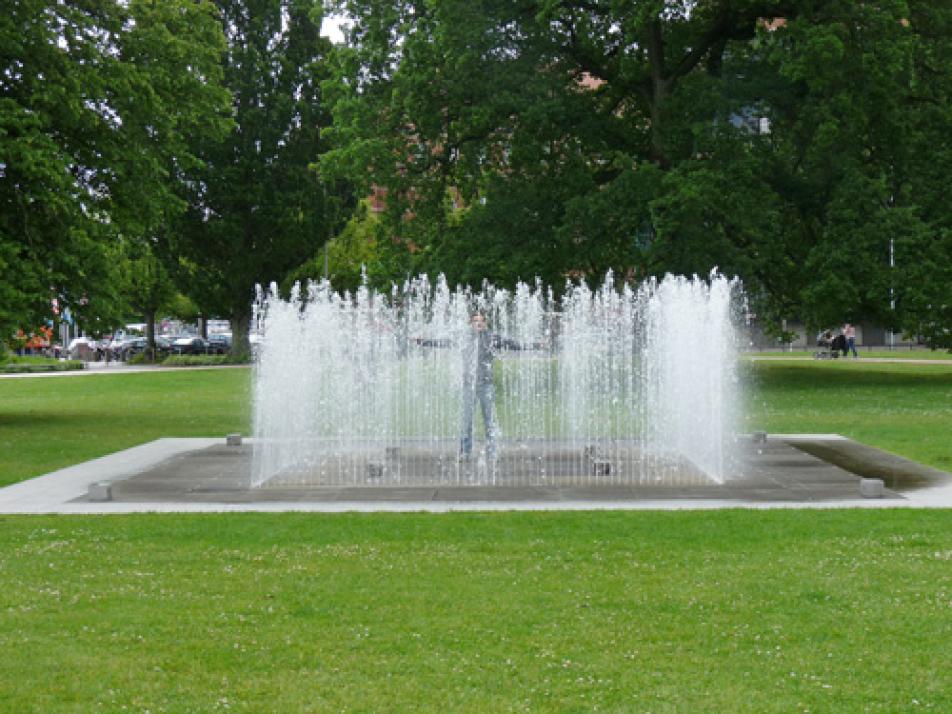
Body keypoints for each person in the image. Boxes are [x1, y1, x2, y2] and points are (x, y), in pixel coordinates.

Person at [460, 311, 499, 460]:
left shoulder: (491, 338)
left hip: (486, 385)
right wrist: (421, 341)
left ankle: (492, 452)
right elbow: (443, 341)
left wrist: (535, 345)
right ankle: (465, 451)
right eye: (475, 320)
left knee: (489, 420)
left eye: (481, 320)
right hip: (469, 385)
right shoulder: (464, 338)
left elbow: (513, 344)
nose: (478, 323)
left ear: (485, 323)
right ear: (470, 323)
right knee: (467, 420)